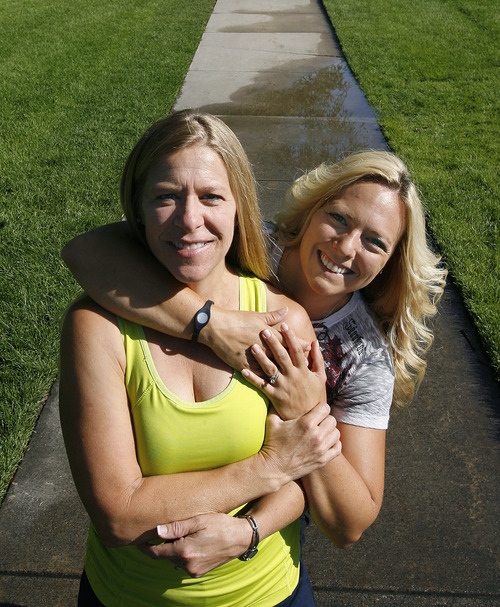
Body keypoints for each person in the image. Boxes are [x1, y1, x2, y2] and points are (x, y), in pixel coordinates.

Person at [62, 119, 447, 582]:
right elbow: (89, 250)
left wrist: (251, 528)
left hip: (266, 567)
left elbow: (347, 517)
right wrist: (211, 323)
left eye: (374, 242)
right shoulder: (242, 243)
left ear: (389, 263)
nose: (345, 247)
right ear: (311, 209)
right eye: (339, 218)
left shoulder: (360, 357)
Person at [59, 110, 343, 607]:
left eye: (212, 196)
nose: (190, 220)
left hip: (271, 593)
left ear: (238, 208)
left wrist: (250, 531)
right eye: (166, 196)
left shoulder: (282, 323)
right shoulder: (96, 327)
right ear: (138, 209)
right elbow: (118, 515)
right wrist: (267, 466)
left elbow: (311, 468)